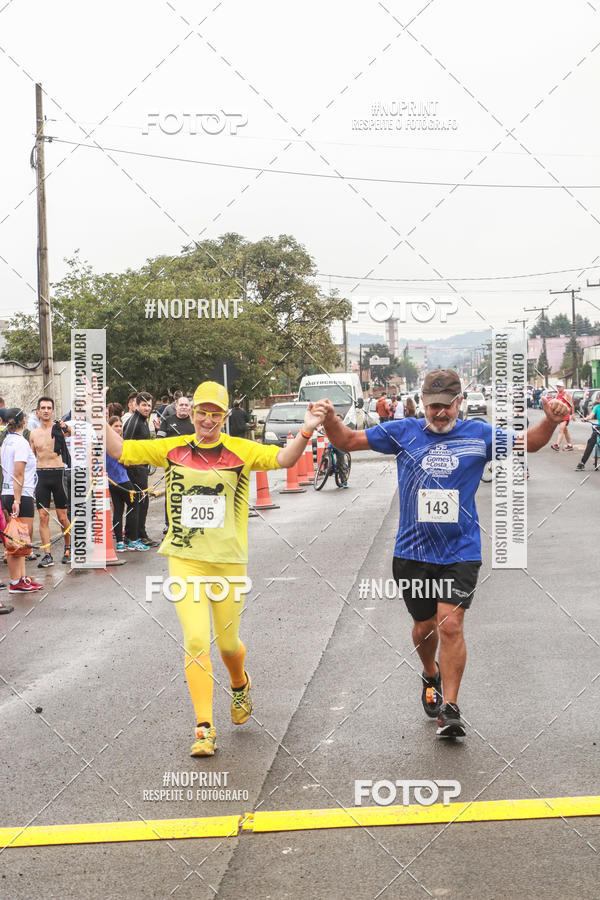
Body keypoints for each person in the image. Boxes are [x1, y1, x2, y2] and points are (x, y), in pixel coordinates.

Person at [316, 368, 569, 739]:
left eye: (447, 406)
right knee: (424, 627)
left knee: (450, 624)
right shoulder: (402, 432)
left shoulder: (478, 435)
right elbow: (349, 441)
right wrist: (331, 420)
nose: (440, 414)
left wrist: (549, 420)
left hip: (461, 550)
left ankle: (450, 708)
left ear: (459, 403)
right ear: (423, 403)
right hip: (412, 553)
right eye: (434, 406)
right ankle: (429, 673)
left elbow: (527, 444)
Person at [106, 381, 325, 757]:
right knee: (194, 641)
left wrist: (306, 429)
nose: (208, 419)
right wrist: (96, 421)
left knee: (226, 644)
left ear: (224, 416)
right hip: (185, 558)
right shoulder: (173, 448)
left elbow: (285, 460)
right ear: (192, 414)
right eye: (202, 412)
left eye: (215, 413)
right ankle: (204, 727)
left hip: (227, 562)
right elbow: (122, 450)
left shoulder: (241, 450)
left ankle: (239, 682)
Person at [1, 408, 43, 596]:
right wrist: (17, 500)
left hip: (14, 493)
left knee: (21, 539)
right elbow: (18, 473)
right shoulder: (20, 443)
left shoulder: (7, 442)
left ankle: (22, 578)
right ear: (24, 422)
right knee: (16, 540)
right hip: (18, 494)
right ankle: (15, 581)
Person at [29, 397, 71, 567]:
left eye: (49, 408)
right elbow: (31, 458)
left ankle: (68, 548)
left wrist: (65, 426)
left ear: (53, 411)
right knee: (43, 516)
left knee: (62, 516)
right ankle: (48, 554)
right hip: (41, 475)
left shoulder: (60, 429)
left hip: (58, 473)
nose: (46, 411)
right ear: (38, 412)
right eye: (43, 408)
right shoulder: (33, 433)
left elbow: (72, 433)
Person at [156, 396, 195, 534]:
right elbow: (160, 439)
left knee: (189, 494)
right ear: (176, 406)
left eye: (186, 405)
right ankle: (169, 524)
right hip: (172, 465)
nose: (184, 407)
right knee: (171, 495)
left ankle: (189, 522)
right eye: (181, 405)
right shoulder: (167, 420)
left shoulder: (194, 422)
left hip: (191, 465)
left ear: (189, 407)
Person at [122, 392, 156, 548]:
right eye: (144, 405)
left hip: (141, 468)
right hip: (135, 469)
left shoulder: (143, 420)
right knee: (139, 502)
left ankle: (134, 534)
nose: (147, 408)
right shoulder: (135, 421)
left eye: (149, 405)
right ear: (136, 405)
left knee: (141, 502)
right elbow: (126, 444)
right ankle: (137, 535)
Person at [106, 416, 143, 551]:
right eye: (116, 426)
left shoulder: (104, 442)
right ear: (110, 427)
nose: (119, 429)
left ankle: (120, 543)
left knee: (118, 510)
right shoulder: (117, 443)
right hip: (122, 479)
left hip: (111, 482)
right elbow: (126, 461)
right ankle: (133, 540)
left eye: (121, 426)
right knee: (134, 504)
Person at [575, 395, 600, 470]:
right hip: (598, 428)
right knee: (591, 442)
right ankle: (582, 463)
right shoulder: (597, 407)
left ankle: (582, 463)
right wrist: (586, 418)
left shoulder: (597, 406)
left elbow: (591, 416)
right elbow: (591, 416)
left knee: (591, 442)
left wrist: (586, 418)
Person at [550, 382, 574, 451]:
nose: (558, 388)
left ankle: (557, 445)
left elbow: (572, 404)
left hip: (565, 415)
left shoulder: (566, 394)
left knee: (561, 430)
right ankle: (569, 445)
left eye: (560, 387)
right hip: (560, 415)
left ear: (563, 387)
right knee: (565, 431)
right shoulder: (557, 395)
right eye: (557, 387)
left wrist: (573, 414)